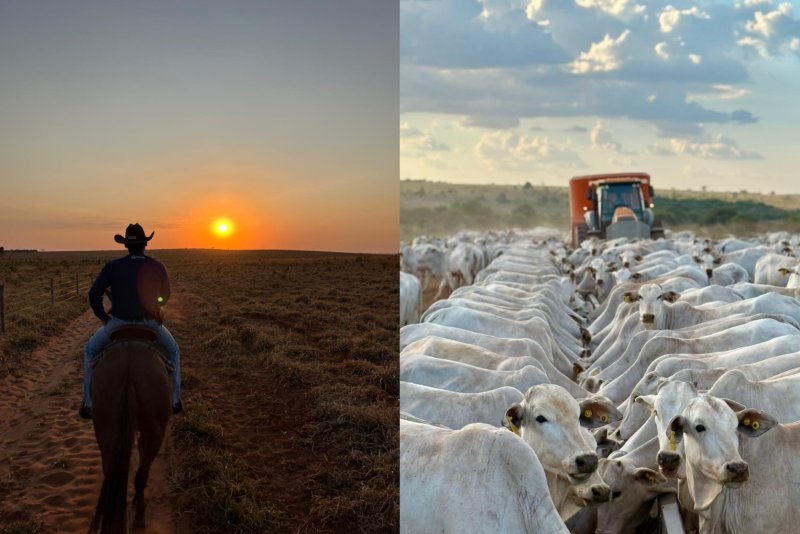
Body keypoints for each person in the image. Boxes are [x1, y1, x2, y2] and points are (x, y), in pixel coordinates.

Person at [79, 223, 182, 419]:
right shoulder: (157, 266)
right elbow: (165, 295)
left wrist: (105, 318)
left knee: (89, 351)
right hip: (149, 323)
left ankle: (89, 403)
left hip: (118, 323)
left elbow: (94, 294)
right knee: (174, 352)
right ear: (145, 245)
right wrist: (155, 304)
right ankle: (175, 400)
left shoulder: (112, 267)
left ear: (126, 246)